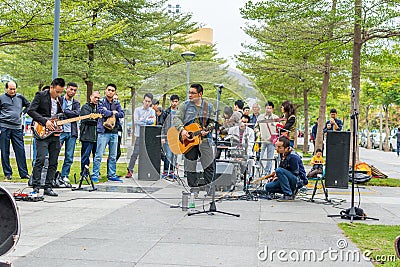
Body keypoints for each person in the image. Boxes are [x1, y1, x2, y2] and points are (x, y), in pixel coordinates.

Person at [173, 83, 215, 194]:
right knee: (190, 166)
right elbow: (177, 118)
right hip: (188, 141)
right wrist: (182, 130)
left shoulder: (208, 107)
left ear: (200, 94)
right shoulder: (185, 105)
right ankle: (194, 189)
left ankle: (209, 189)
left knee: (209, 164)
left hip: (205, 140)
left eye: (193, 93)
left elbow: (213, 122)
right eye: (189, 92)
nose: (190, 95)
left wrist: (209, 129)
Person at [27, 78, 66, 196]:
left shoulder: (59, 100)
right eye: (57, 91)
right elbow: (31, 111)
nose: (58, 94)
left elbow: (59, 117)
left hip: (54, 135)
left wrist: (59, 127)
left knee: (53, 161)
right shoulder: (40, 95)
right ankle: (36, 186)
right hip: (41, 132)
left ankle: (48, 186)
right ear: (51, 87)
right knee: (40, 159)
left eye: (60, 92)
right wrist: (45, 121)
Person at [92, 84, 124, 183]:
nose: (110, 92)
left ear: (115, 92)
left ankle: (112, 174)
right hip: (103, 132)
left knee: (113, 155)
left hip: (114, 132)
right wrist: (113, 112)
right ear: (105, 90)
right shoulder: (101, 101)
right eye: (109, 90)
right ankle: (95, 175)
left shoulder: (117, 102)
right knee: (99, 155)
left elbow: (122, 114)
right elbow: (101, 112)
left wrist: (110, 112)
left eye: (112, 90)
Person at [0, 81, 31, 180]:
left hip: (17, 128)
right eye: (11, 89)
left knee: (20, 150)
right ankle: (7, 173)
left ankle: (24, 173)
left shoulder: (20, 97)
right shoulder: (1, 98)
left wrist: (23, 112)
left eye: (14, 89)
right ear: (6, 89)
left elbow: (29, 105)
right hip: (4, 127)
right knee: (5, 151)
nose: (13, 91)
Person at [263, 136, 307, 201]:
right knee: (268, 187)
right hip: (289, 178)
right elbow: (282, 168)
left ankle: (288, 195)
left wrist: (280, 174)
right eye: (276, 146)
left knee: (279, 170)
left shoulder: (293, 157)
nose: (277, 149)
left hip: (297, 180)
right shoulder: (282, 153)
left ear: (286, 148)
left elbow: (295, 173)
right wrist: (276, 176)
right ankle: (291, 192)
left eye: (279, 147)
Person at [126, 93, 155, 178]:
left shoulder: (152, 111)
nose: (147, 103)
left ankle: (147, 171)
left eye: (149, 101)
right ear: (143, 100)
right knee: (135, 153)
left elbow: (152, 121)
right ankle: (130, 170)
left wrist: (142, 120)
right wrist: (146, 120)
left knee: (147, 155)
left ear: (151, 102)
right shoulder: (137, 110)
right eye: (146, 101)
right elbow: (136, 121)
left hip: (147, 135)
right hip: (139, 135)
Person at [59, 82, 80, 183]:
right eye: (71, 89)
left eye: (75, 90)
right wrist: (68, 113)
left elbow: (76, 114)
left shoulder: (76, 103)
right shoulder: (59, 100)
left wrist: (65, 112)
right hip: (60, 131)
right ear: (66, 89)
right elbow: (57, 113)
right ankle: (52, 175)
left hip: (71, 132)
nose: (72, 92)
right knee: (54, 154)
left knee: (69, 155)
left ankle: (65, 175)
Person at [254, 101, 280, 175]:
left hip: (271, 141)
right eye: (267, 108)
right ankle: (259, 171)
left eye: (270, 108)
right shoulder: (260, 117)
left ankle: (267, 172)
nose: (268, 109)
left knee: (270, 158)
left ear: (272, 109)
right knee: (260, 156)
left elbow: (279, 129)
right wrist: (259, 133)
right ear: (265, 108)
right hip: (262, 141)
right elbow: (256, 127)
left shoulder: (276, 118)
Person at [79, 91, 101, 177]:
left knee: (97, 156)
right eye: (95, 97)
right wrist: (98, 120)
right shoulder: (85, 107)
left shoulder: (100, 107)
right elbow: (86, 119)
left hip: (97, 136)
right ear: (91, 97)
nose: (97, 99)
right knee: (85, 156)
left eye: (98, 98)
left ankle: (96, 172)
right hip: (87, 135)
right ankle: (84, 173)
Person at [161, 94, 179, 177]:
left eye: (176, 101)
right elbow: (162, 125)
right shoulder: (166, 112)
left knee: (174, 155)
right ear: (170, 102)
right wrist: (163, 137)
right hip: (168, 136)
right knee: (168, 154)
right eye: (173, 101)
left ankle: (172, 171)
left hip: (177, 137)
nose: (174, 103)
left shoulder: (180, 113)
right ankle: (165, 171)